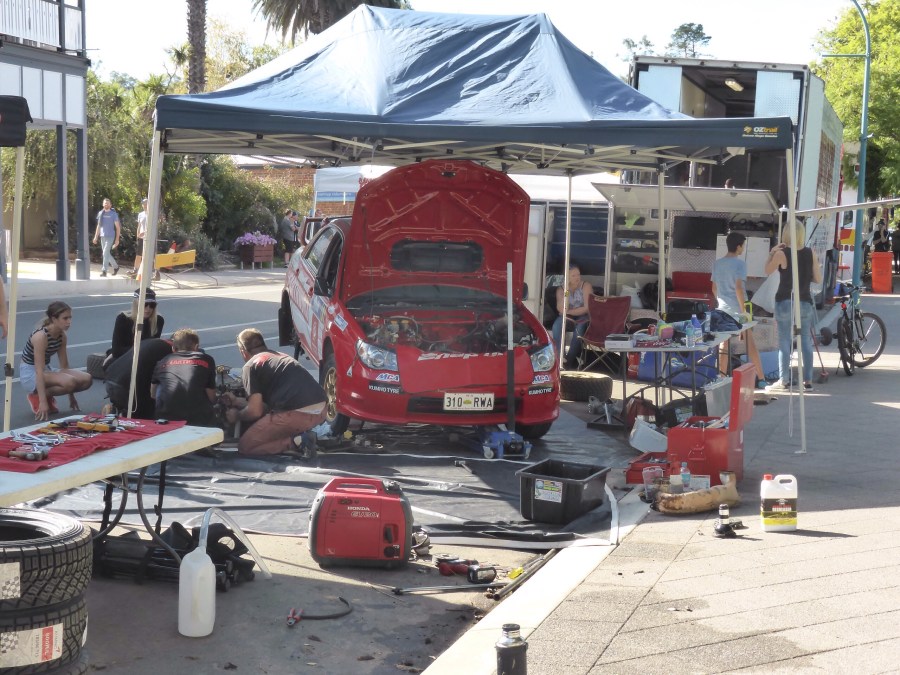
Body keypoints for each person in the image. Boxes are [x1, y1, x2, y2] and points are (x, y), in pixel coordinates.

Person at [221, 328, 326, 458]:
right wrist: (236, 401)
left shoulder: (250, 366)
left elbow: (255, 411)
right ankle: (300, 437)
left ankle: (296, 442)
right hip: (321, 409)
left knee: (246, 446)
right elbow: (263, 406)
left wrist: (237, 415)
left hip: (295, 412)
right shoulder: (279, 356)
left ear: (243, 352)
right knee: (274, 424)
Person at [764, 220, 822, 392]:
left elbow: (767, 270)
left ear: (786, 234)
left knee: (784, 340)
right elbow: (818, 278)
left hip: (785, 299)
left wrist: (771, 253)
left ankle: (784, 380)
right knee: (805, 340)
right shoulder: (810, 253)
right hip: (804, 300)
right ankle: (808, 381)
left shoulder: (781, 253)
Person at [711, 232, 766, 388]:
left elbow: (714, 288)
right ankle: (761, 378)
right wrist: (744, 311)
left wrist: (721, 302)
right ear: (738, 246)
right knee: (750, 344)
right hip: (738, 310)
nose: (743, 249)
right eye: (743, 246)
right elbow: (739, 289)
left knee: (723, 345)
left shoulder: (717, 264)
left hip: (722, 310)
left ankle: (721, 379)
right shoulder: (740, 264)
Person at [20, 301, 92, 420]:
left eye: (70, 318)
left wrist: (71, 397)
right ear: (54, 319)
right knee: (70, 382)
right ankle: (37, 396)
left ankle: (44, 394)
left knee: (87, 379)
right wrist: (43, 403)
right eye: (65, 318)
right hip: (30, 373)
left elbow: (65, 367)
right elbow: (39, 371)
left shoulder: (62, 336)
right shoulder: (40, 337)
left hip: (46, 369)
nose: (69, 322)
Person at [151, 329, 217, 426]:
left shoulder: (162, 362)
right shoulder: (206, 359)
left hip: (166, 418)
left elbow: (153, 394)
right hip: (198, 418)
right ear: (196, 347)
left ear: (173, 348)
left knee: (162, 384)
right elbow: (211, 397)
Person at [104, 337, 173, 419]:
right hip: (127, 388)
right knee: (153, 410)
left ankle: (116, 411)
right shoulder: (170, 353)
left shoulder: (151, 342)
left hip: (110, 379)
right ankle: (125, 414)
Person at [551, 262, 593, 370]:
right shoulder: (562, 289)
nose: (577, 277)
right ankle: (560, 358)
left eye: (578, 274)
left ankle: (569, 361)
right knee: (557, 325)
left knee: (580, 329)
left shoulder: (585, 286)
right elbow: (561, 308)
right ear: (567, 277)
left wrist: (568, 311)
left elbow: (587, 308)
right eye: (573, 275)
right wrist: (567, 291)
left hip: (583, 316)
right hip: (568, 316)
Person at [108, 288, 165, 362]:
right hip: (123, 357)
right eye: (144, 304)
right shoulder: (123, 319)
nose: (148, 308)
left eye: (152, 305)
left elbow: (153, 347)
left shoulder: (158, 320)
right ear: (136, 304)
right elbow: (116, 351)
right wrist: (143, 350)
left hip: (144, 358)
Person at [92, 198, 121, 277]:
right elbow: (99, 226)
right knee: (106, 253)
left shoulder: (113, 214)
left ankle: (104, 271)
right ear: (103, 204)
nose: (106, 204)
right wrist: (95, 237)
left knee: (105, 253)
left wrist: (117, 239)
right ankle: (116, 267)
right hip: (102, 236)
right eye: (105, 203)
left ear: (110, 205)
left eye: (108, 203)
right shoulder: (100, 213)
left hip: (110, 236)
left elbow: (118, 227)